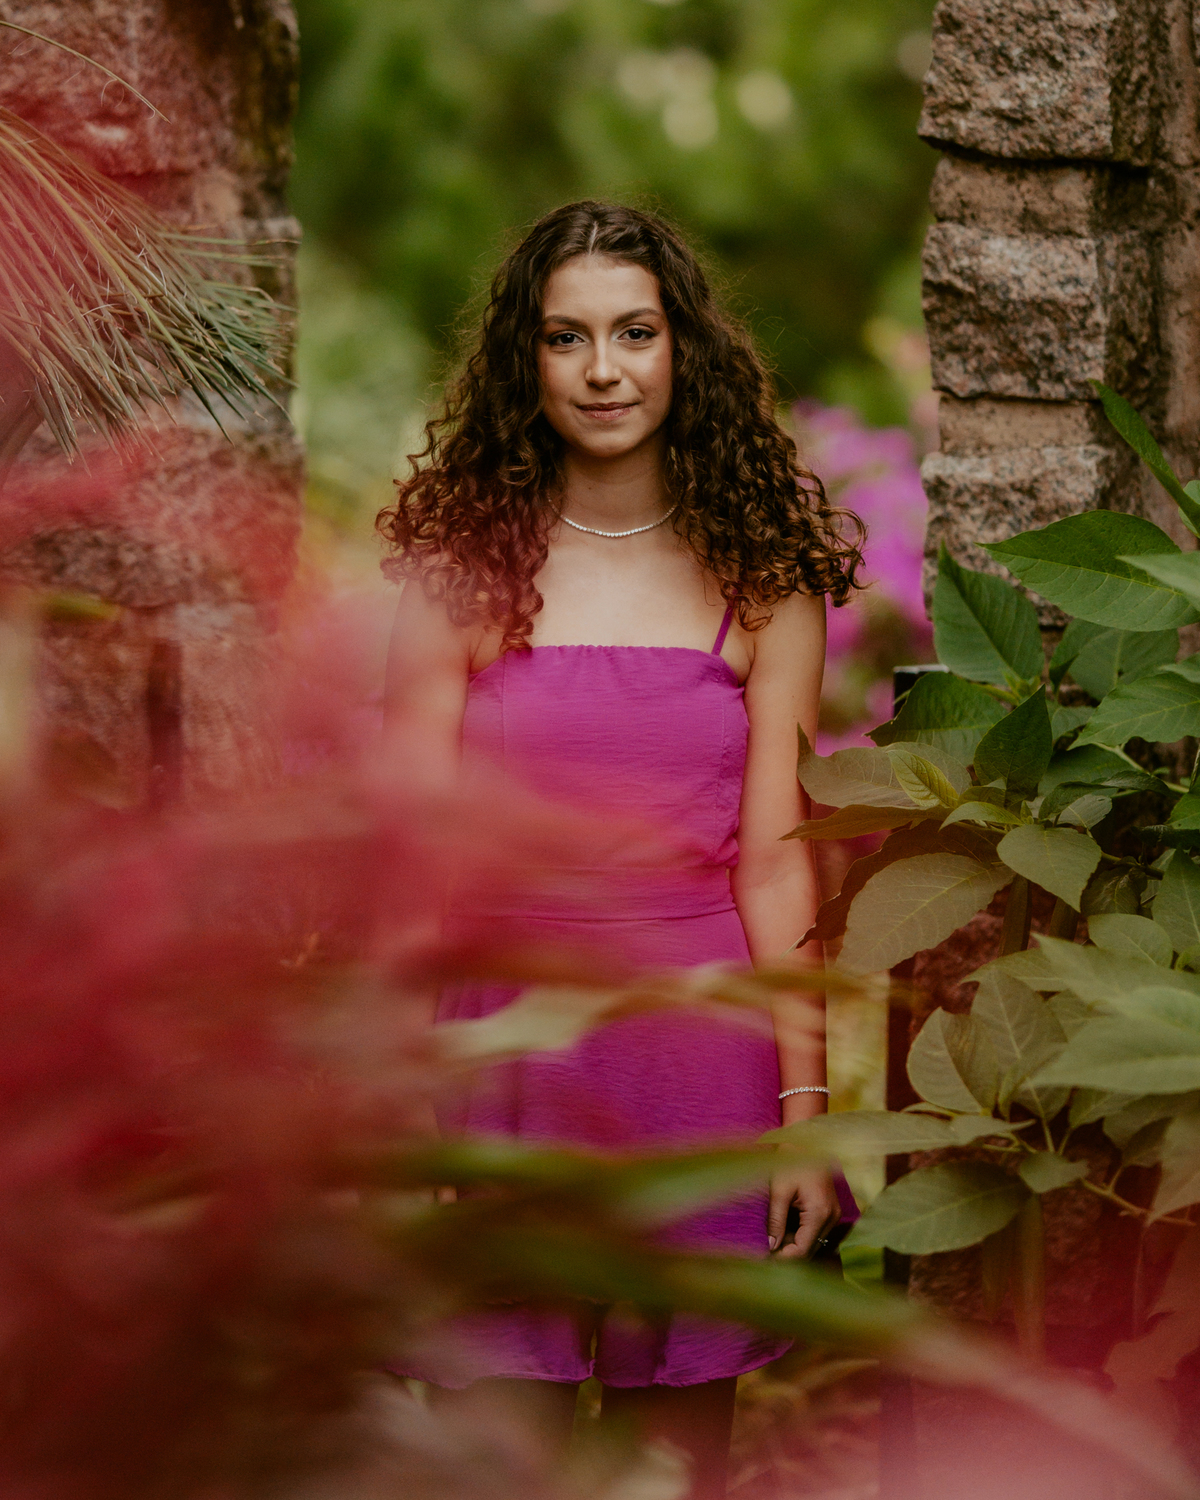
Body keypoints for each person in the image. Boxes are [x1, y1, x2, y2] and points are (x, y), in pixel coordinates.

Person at [379, 201, 864, 1499]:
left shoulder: (766, 581)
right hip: (502, 1060)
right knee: (495, 1462)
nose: (604, 370)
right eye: (567, 337)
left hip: (699, 1066)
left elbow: (777, 862)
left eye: (635, 333)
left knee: (681, 1467)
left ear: (682, 347)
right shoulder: (462, 575)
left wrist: (805, 1115)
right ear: (524, 362)